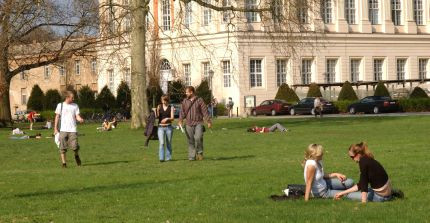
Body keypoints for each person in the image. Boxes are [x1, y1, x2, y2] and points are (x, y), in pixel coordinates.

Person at [334, 142, 401, 202]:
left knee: (349, 195)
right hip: (387, 191)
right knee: (352, 192)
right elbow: (361, 184)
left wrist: (363, 202)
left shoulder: (363, 163)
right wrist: (342, 192)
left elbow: (364, 185)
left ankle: (388, 197)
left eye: (352, 157)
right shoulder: (367, 158)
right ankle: (392, 194)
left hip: (381, 197)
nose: (352, 159)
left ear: (358, 154)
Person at [178, 86, 212, 161]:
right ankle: (192, 156)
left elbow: (205, 112)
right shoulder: (184, 101)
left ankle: (199, 153)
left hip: (198, 123)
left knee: (198, 137)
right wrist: (180, 120)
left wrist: (208, 121)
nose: (186, 93)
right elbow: (182, 112)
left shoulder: (200, 100)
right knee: (191, 141)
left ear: (191, 92)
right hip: (188, 124)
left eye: (187, 92)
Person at [54, 91, 84, 168]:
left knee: (75, 147)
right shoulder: (60, 105)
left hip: (73, 130)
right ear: (67, 97)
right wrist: (55, 128)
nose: (73, 99)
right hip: (63, 130)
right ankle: (64, 164)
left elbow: (77, 116)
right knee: (62, 147)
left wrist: (80, 119)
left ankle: (76, 156)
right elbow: (57, 117)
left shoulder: (75, 106)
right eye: (72, 97)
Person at [156, 95, 175, 162]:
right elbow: (157, 117)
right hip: (160, 128)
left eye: (164, 100)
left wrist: (167, 118)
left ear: (167, 100)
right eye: (162, 100)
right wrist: (157, 111)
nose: (163, 102)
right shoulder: (159, 107)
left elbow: (172, 118)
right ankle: (161, 158)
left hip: (168, 127)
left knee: (168, 143)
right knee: (162, 143)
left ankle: (168, 157)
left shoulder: (171, 107)